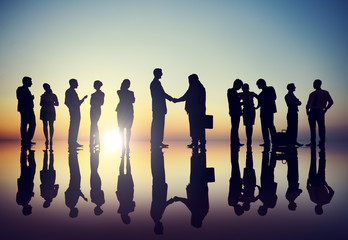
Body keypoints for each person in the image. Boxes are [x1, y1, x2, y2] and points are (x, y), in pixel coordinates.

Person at [174, 74, 206, 148]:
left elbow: (186, 96)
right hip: (198, 111)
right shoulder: (200, 87)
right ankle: (200, 142)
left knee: (195, 127)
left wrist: (176, 100)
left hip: (195, 111)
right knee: (199, 127)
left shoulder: (195, 87)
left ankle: (196, 142)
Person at [305, 79, 333, 147]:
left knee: (321, 127)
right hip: (312, 111)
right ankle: (312, 142)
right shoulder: (311, 94)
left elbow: (331, 102)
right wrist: (307, 111)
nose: (313, 85)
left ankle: (321, 142)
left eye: (315, 84)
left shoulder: (325, 92)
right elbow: (308, 104)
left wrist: (326, 109)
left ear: (319, 84)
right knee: (312, 128)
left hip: (320, 111)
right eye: (313, 83)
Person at [150, 68, 173, 148]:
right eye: (161, 73)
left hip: (159, 107)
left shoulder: (156, 83)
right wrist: (172, 99)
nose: (162, 74)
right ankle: (155, 141)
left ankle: (158, 141)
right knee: (157, 124)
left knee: (159, 124)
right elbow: (162, 94)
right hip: (158, 107)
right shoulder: (155, 83)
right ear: (157, 73)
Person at [64, 79, 87, 147]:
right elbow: (66, 102)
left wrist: (83, 99)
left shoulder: (72, 91)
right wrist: (71, 108)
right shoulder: (69, 91)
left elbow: (78, 103)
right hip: (74, 111)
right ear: (72, 83)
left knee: (75, 125)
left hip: (76, 110)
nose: (77, 85)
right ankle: (72, 141)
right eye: (76, 83)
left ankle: (73, 141)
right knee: (73, 126)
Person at [256, 78, 277, 147]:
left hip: (269, 110)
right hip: (263, 111)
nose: (257, 86)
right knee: (264, 127)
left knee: (270, 125)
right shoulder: (260, 94)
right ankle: (267, 141)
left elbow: (274, 97)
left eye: (258, 85)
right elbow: (259, 104)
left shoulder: (270, 89)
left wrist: (264, 100)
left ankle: (274, 141)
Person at [116, 79, 135, 152]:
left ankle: (126, 145)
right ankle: (123, 145)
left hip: (127, 111)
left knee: (127, 128)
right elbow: (132, 100)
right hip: (123, 111)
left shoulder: (123, 92)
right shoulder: (120, 92)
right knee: (123, 128)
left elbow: (133, 101)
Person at [16, 76, 36, 146]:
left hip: (29, 109)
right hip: (25, 109)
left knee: (31, 124)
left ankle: (27, 139)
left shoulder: (27, 90)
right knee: (25, 124)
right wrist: (30, 98)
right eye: (30, 82)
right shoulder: (20, 89)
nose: (31, 83)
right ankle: (25, 139)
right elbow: (19, 97)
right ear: (26, 82)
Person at [40, 83, 59, 148]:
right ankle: (46, 139)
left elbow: (57, 104)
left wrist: (51, 103)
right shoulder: (43, 95)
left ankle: (51, 139)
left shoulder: (54, 95)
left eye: (46, 87)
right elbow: (40, 104)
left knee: (51, 125)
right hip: (44, 111)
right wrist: (45, 103)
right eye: (44, 87)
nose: (45, 88)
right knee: (45, 125)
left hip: (51, 111)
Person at [227, 79, 244, 147]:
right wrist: (243, 102)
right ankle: (234, 142)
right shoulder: (231, 91)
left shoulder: (234, 92)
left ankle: (236, 142)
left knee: (235, 127)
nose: (240, 88)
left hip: (236, 112)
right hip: (234, 112)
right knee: (234, 127)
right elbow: (235, 102)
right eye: (239, 86)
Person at [90, 80, 105, 147]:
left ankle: (96, 141)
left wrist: (95, 102)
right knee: (93, 124)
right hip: (93, 109)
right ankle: (94, 141)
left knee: (94, 124)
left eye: (95, 85)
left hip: (97, 109)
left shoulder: (102, 94)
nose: (94, 86)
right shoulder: (93, 94)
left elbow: (101, 103)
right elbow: (91, 103)